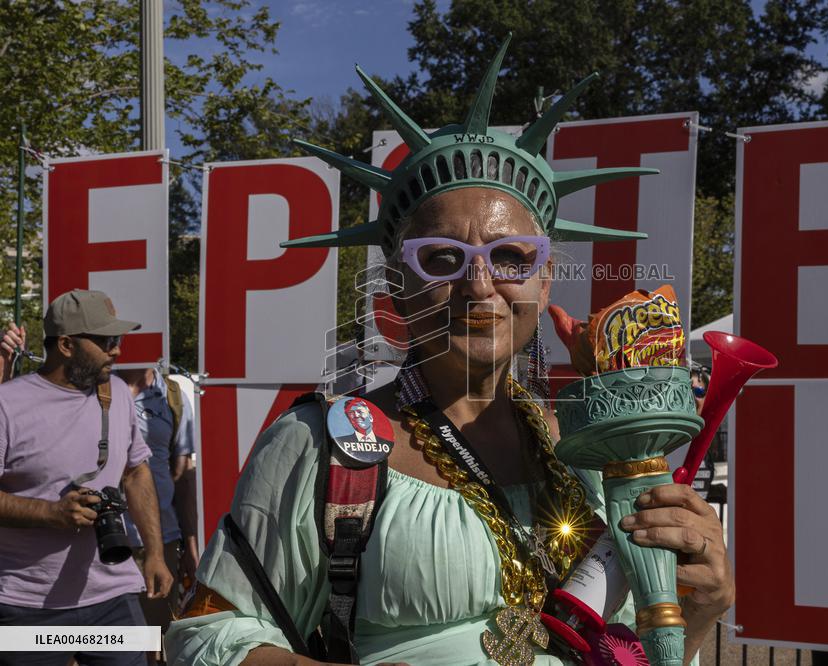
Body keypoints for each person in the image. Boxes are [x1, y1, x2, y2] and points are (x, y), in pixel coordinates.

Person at [166, 36, 732, 666]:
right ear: (398, 287)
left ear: (545, 283)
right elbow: (205, 637)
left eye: (512, 257)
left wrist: (696, 610)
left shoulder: (593, 453)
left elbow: (628, 651)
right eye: (442, 259)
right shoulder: (318, 445)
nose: (480, 285)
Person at [0, 289, 174, 666]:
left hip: (113, 594)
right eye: (107, 341)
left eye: (119, 340)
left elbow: (136, 472)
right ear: (65, 344)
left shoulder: (117, 394)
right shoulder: (7, 404)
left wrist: (155, 554)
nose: (117, 351)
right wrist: (51, 514)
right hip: (27, 605)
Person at [117, 366, 200, 660]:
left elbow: (184, 476)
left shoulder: (173, 395)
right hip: (97, 541)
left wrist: (191, 548)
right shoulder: (91, 386)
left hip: (160, 541)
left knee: (153, 641)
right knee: (99, 641)